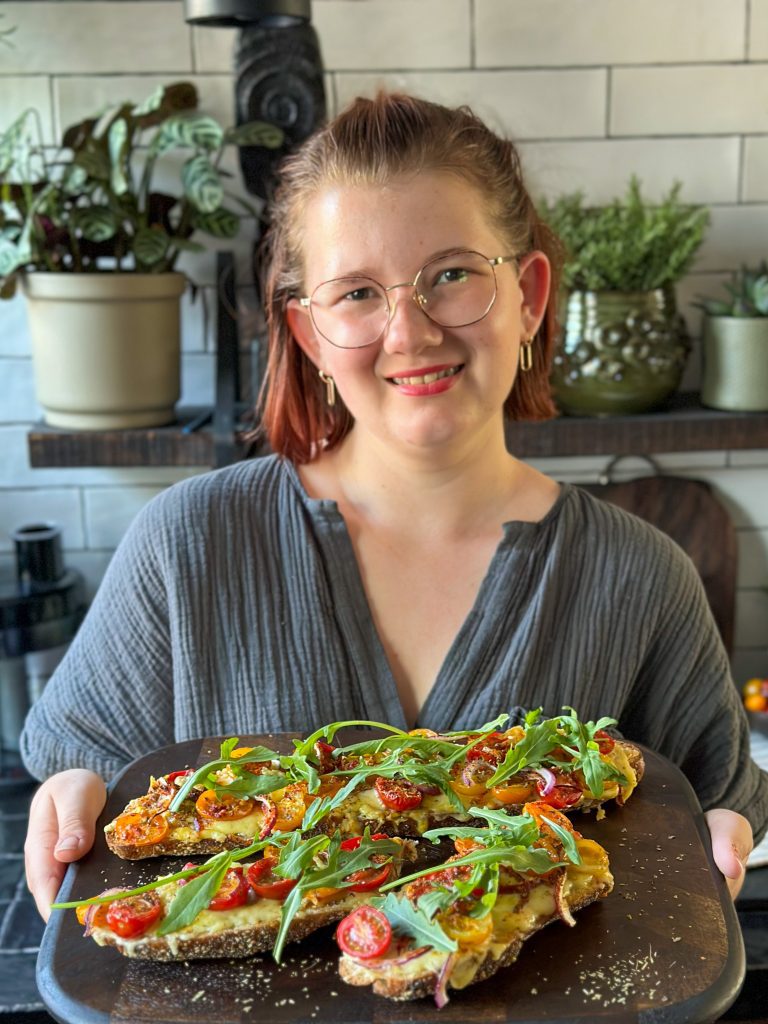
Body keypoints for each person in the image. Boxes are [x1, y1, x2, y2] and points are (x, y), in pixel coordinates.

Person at [22, 92, 767, 921]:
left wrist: (721, 838)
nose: (408, 333)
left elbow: (706, 807)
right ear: (310, 338)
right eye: (357, 294)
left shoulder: (641, 577)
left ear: (528, 294)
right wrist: (70, 795)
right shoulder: (188, 543)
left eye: (451, 275)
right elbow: (84, 761)